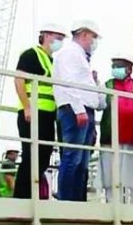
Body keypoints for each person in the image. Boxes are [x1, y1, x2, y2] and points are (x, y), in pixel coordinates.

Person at [52, 20, 105, 202]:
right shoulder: (69, 53)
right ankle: (67, 199)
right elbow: (68, 83)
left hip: (83, 110)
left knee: (82, 161)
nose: (94, 42)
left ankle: (77, 199)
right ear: (84, 34)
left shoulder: (79, 56)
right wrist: (78, 109)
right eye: (93, 37)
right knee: (73, 158)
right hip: (74, 110)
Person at [12, 23, 66, 200]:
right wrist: (27, 106)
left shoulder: (51, 61)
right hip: (33, 113)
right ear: (45, 36)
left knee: (43, 156)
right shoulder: (31, 54)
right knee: (30, 155)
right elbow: (19, 79)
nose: (60, 42)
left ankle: (30, 195)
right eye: (57, 37)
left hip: (48, 115)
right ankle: (21, 197)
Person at [98, 54, 133, 205]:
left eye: (118, 65)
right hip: (111, 137)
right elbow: (100, 104)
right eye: (113, 65)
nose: (115, 68)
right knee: (111, 175)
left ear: (129, 68)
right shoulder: (107, 85)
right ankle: (112, 206)